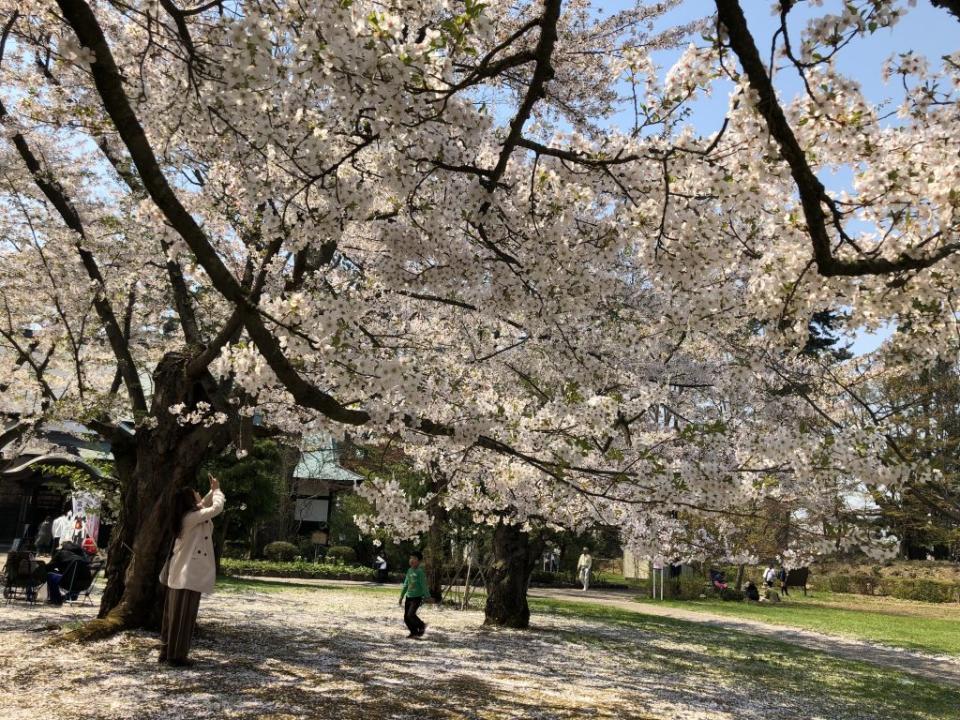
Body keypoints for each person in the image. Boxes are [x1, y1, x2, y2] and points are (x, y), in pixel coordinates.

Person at [158, 475, 225, 667]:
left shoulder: (189, 515)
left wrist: (212, 490)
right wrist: (218, 491)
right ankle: (176, 656)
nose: (198, 494)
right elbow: (216, 508)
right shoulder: (192, 517)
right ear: (189, 500)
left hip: (186, 573)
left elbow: (204, 504)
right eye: (195, 493)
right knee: (182, 615)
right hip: (186, 574)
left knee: (176, 614)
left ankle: (169, 652)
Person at [398, 551, 428, 638]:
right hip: (408, 597)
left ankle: (421, 625)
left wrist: (427, 596)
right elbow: (406, 584)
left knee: (411, 614)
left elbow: (424, 585)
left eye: (414, 559)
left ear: (419, 561)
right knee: (406, 617)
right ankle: (414, 632)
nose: (411, 560)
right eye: (410, 558)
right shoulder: (409, 570)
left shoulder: (420, 572)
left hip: (417, 598)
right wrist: (401, 596)